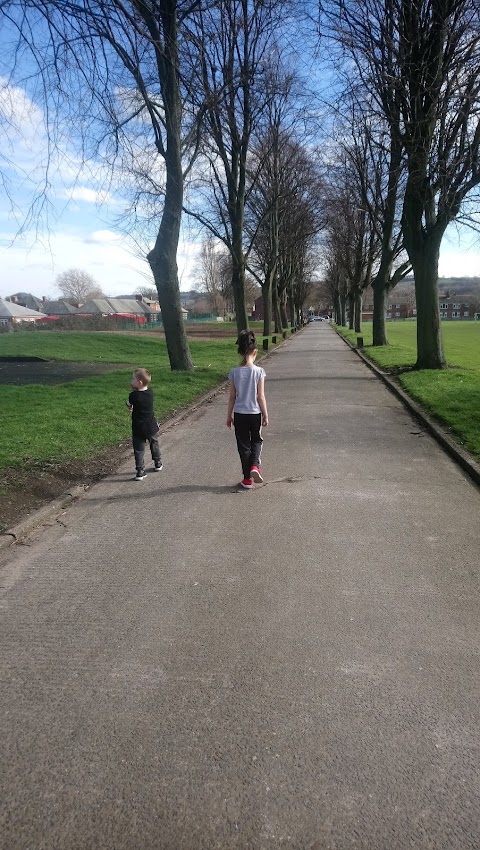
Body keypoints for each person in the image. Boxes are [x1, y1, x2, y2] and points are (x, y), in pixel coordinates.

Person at [227, 329, 268, 489]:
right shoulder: (259, 372)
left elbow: (232, 397)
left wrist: (228, 416)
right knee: (256, 440)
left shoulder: (235, 372)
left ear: (241, 353)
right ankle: (255, 466)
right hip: (255, 413)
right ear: (255, 352)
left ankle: (247, 480)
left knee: (243, 445)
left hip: (239, 414)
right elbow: (261, 397)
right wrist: (265, 414)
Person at [126, 368, 163, 481]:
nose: (131, 381)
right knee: (154, 444)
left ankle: (140, 471)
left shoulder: (133, 395)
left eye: (133, 379)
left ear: (139, 382)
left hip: (138, 427)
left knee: (139, 449)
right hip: (151, 426)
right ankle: (157, 462)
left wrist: (130, 406)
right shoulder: (150, 393)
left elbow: (128, 404)